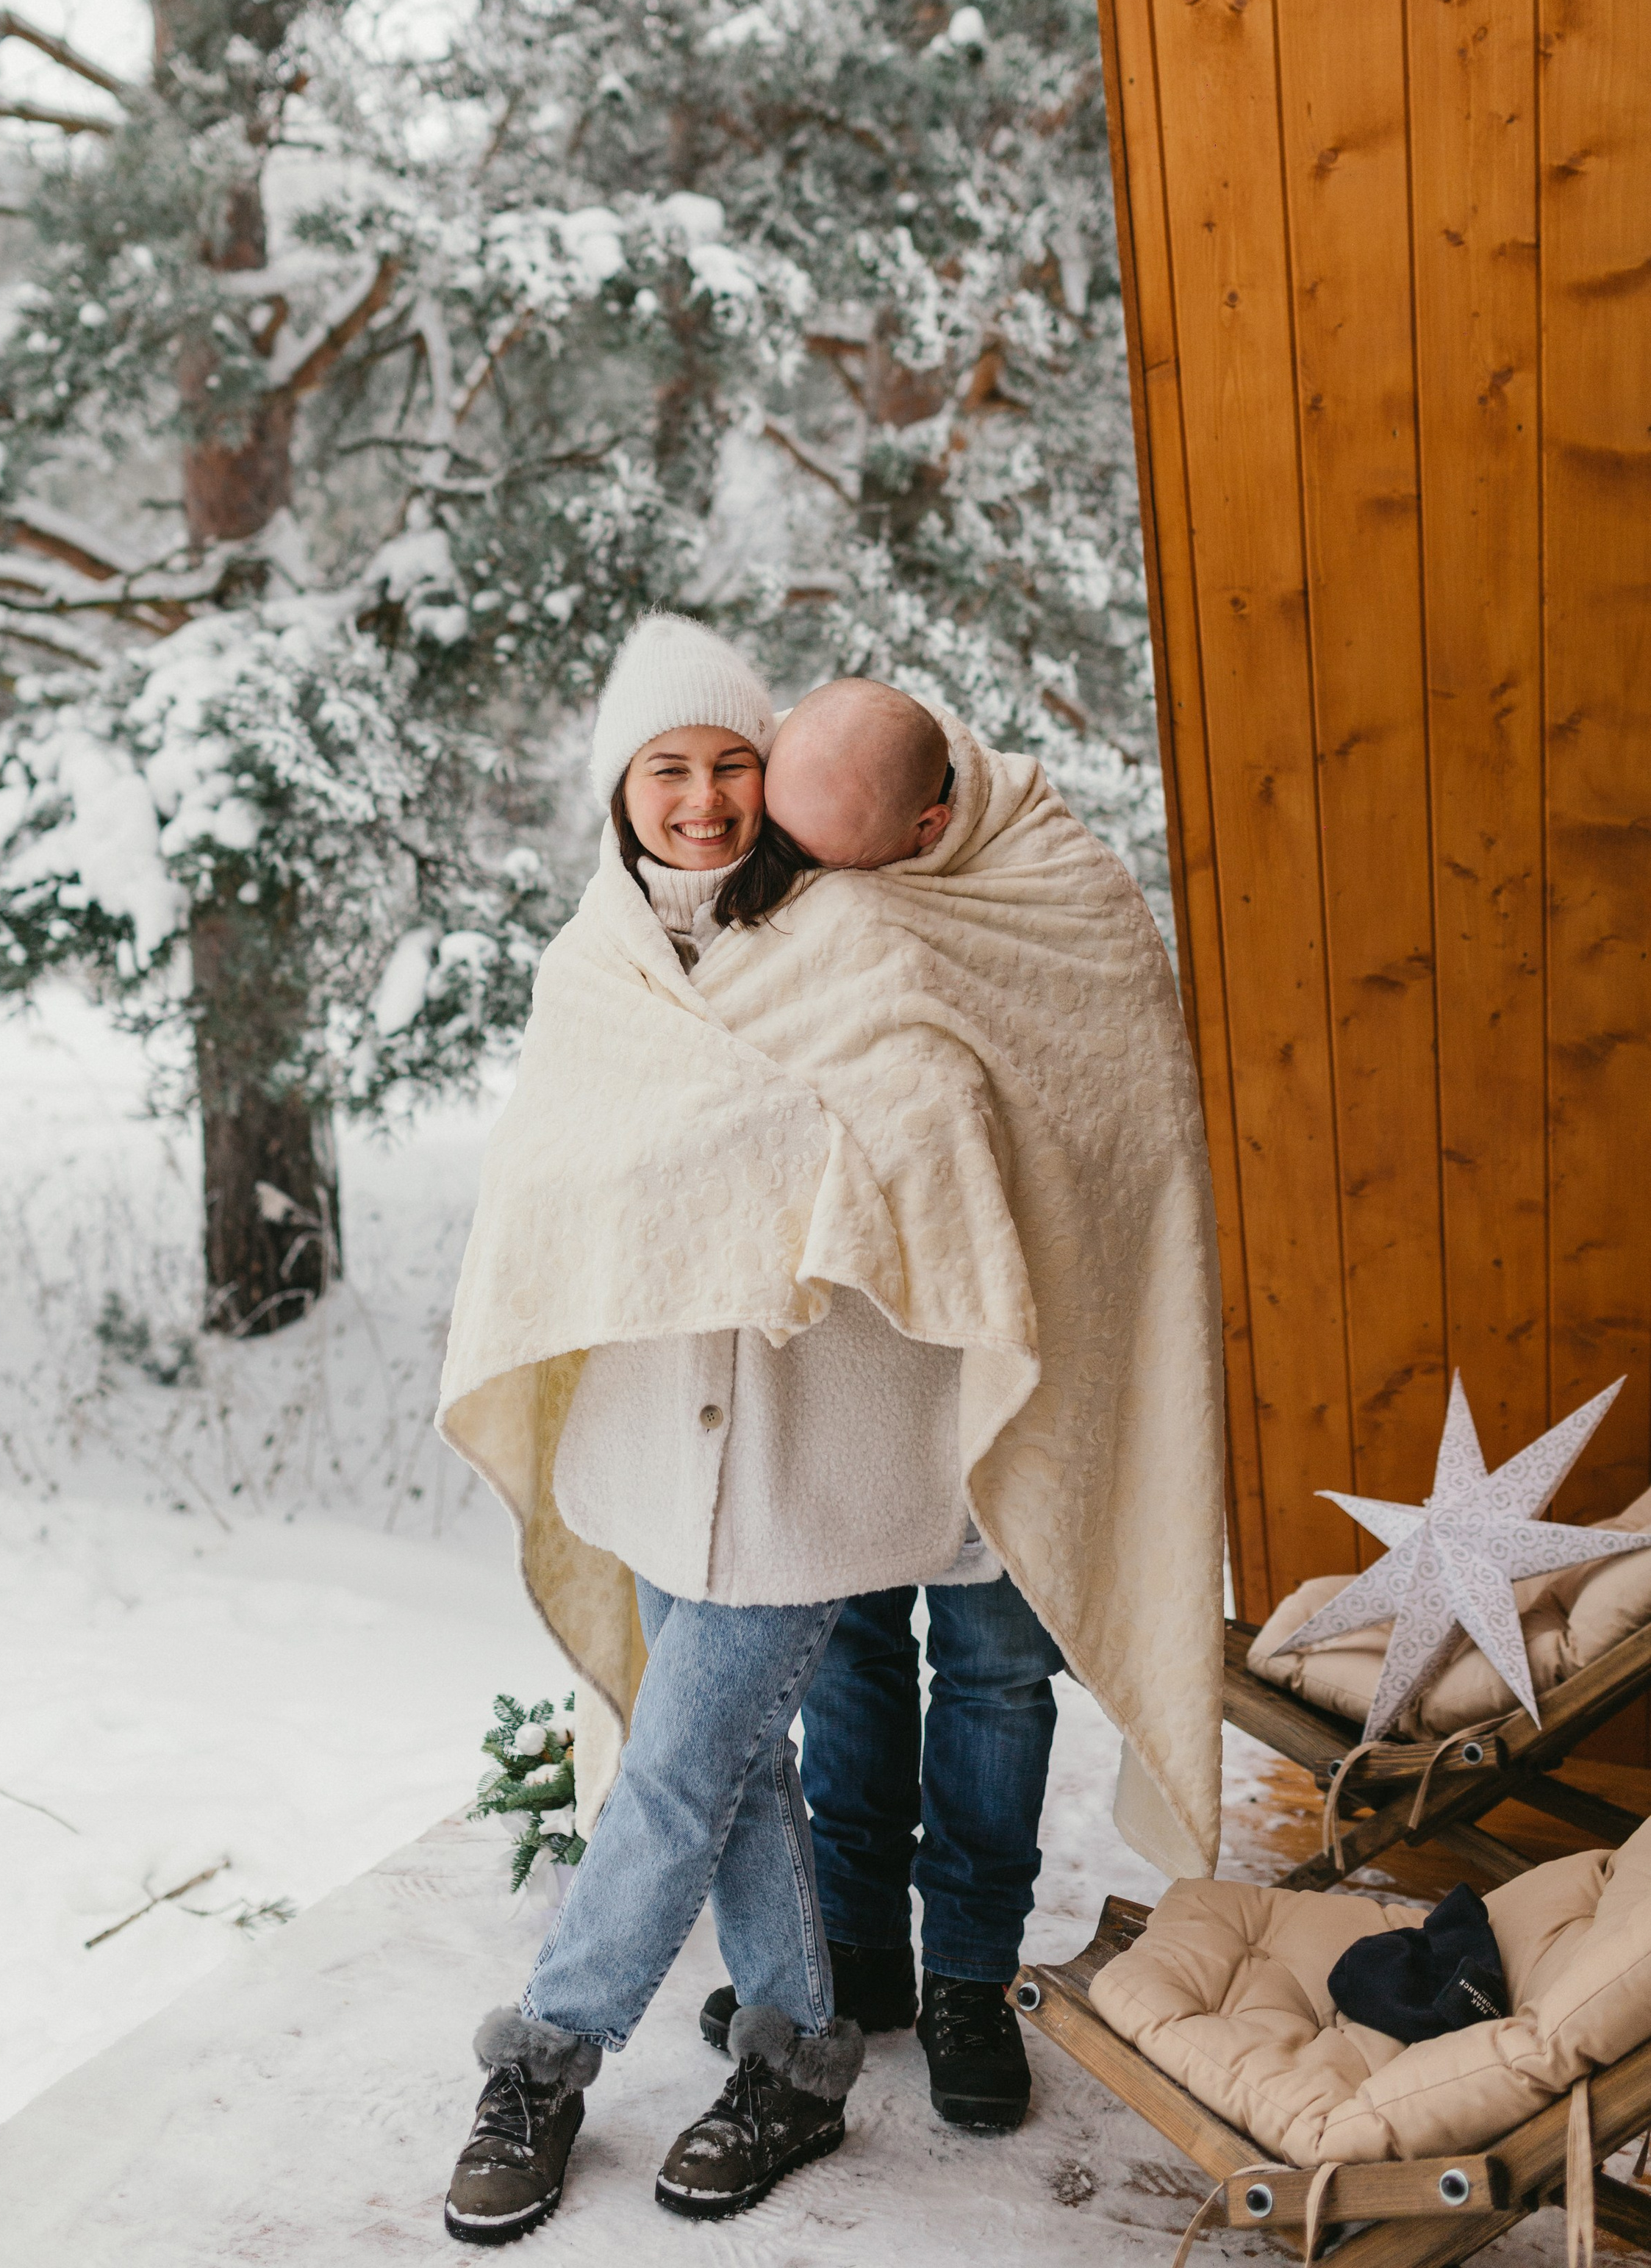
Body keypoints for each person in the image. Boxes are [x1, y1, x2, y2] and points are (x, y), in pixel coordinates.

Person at [437, 617, 1225, 2244]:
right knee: (739, 1777)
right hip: (660, 1442)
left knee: (683, 1770)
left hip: (827, 1446)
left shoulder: (857, 912)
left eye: (735, 768)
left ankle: (550, 2052)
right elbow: (563, 1188)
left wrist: (802, 1169)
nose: (710, 805)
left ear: (793, 788)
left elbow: (931, 1119)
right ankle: (807, 2045)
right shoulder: (600, 954)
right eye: (669, 770)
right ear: (618, 786)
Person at [695, 678, 1063, 2131]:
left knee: (993, 1668)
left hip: (1002, 1349)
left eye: (852, 865)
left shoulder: (1036, 884)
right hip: (844, 1343)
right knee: (845, 1648)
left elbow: (1100, 1102)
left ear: (930, 820)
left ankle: (969, 1973)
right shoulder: (762, 865)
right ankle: (855, 1948)